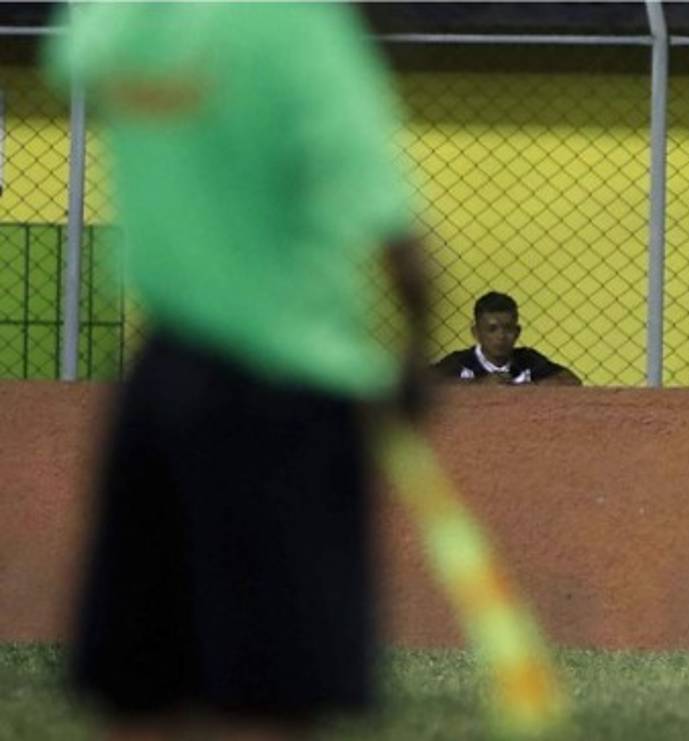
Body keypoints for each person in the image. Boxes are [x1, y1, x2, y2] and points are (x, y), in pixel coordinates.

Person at [45, 4, 429, 739]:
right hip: (291, 386)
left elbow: (77, 53)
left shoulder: (124, 19)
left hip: (161, 377)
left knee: (142, 680)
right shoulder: (298, 28)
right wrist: (414, 353)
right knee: (273, 688)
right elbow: (395, 233)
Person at [432, 291, 582, 386]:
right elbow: (424, 386)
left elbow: (573, 382)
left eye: (508, 329)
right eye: (492, 329)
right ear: (476, 333)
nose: (501, 336)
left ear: (517, 332)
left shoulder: (527, 360)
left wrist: (527, 388)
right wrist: (479, 385)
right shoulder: (460, 362)